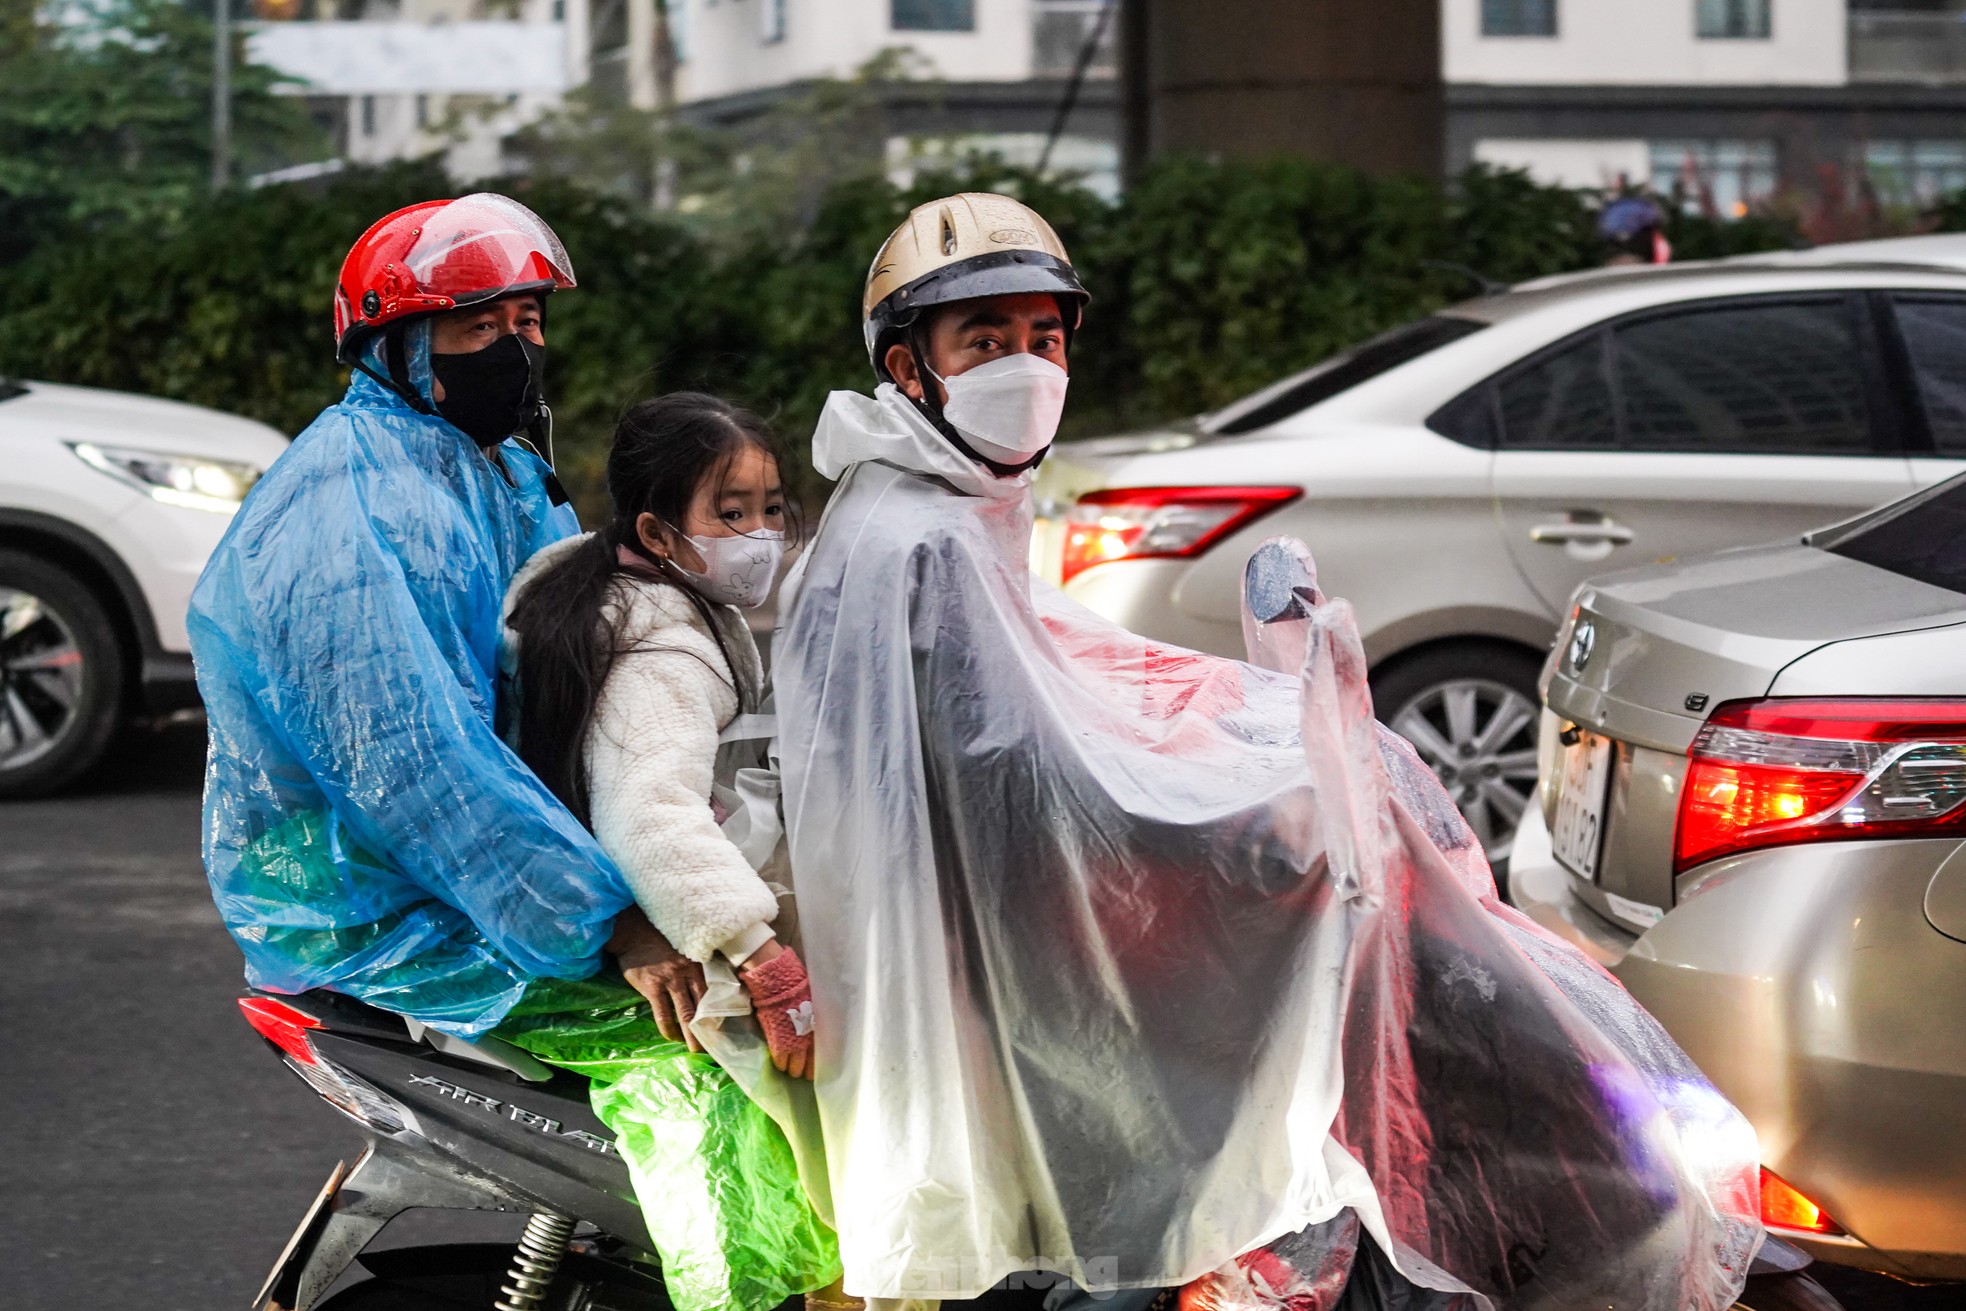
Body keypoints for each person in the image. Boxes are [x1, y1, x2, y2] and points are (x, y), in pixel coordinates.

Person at [767, 193, 1762, 1311]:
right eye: (984, 342)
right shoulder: (920, 533)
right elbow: (1020, 772)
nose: (1025, 365)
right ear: (910, 368)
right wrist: (1257, 821)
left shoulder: (941, 495)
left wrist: (1248, 715)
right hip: (1015, 942)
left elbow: (1059, 668)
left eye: (1043, 339)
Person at [190, 196, 837, 1311]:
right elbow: (419, 771)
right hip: (385, 905)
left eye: (528, 322)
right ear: (396, 345)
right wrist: (616, 923)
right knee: (699, 1059)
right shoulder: (350, 507)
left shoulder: (487, 468)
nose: (517, 349)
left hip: (497, 876)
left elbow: (578, 666)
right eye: (479, 329)